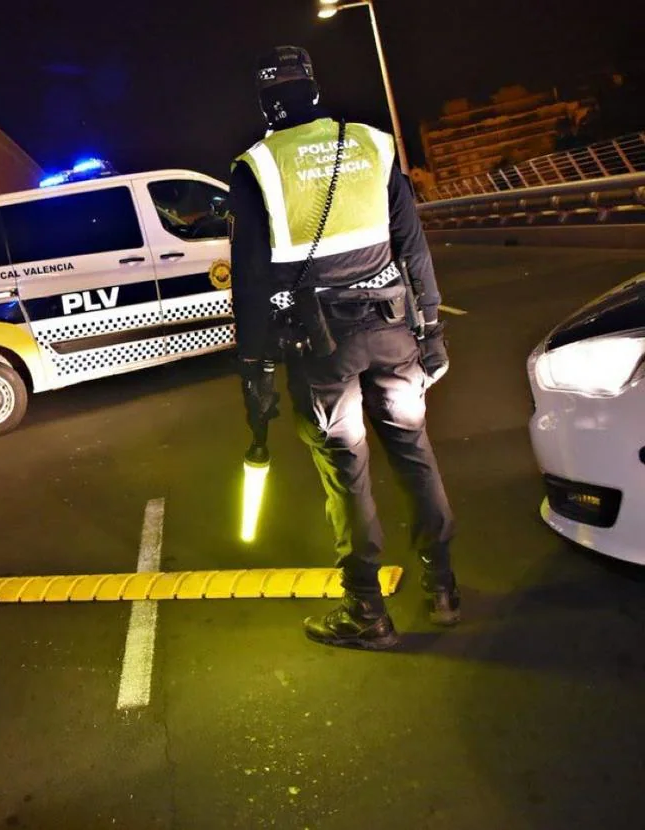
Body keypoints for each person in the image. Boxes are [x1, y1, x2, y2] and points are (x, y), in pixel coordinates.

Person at [227, 46, 459, 650]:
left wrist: (252, 367)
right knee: (413, 451)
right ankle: (442, 588)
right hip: (393, 326)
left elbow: (250, 281)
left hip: (321, 343)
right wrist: (431, 328)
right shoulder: (372, 144)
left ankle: (366, 611)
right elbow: (413, 244)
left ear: (265, 101)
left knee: (345, 467)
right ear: (313, 88)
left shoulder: (257, 165)